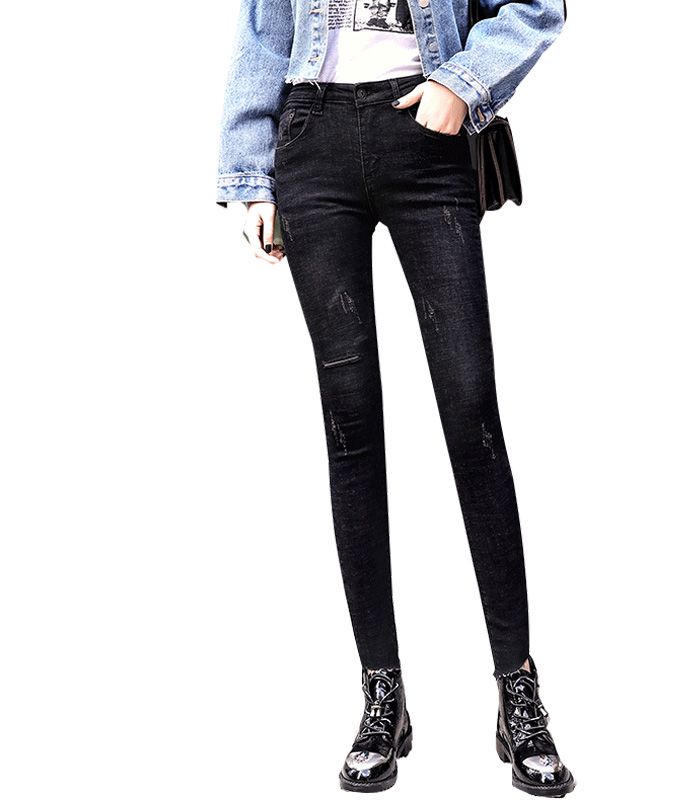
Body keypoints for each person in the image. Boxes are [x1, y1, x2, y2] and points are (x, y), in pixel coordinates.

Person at [216, 1, 575, 794]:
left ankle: (518, 691)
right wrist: (248, 173)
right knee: (349, 420)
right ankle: (383, 693)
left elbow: (535, 7)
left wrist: (464, 81)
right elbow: (262, 29)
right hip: (310, 138)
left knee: (471, 410)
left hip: (425, 136)